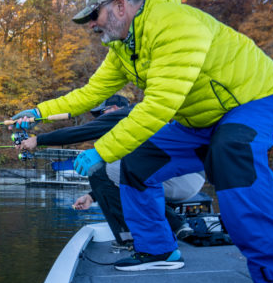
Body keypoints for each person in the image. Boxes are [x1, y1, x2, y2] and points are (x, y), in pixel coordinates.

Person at [11, 0, 273, 283]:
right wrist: (39, 111)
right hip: (202, 119)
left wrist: (101, 151)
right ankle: (158, 251)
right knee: (136, 162)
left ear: (120, 5)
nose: (90, 24)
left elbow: (159, 106)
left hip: (263, 99)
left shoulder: (174, 24)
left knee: (232, 150)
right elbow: (89, 94)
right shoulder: (122, 48)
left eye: (94, 15)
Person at [19, 94, 204, 248]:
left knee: (97, 169)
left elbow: (81, 131)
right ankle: (177, 225)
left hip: (180, 178)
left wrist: (38, 140)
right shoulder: (141, 121)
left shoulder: (127, 114)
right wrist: (92, 196)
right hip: (188, 176)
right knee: (119, 166)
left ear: (115, 108)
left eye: (101, 113)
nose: (99, 118)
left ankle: (129, 239)